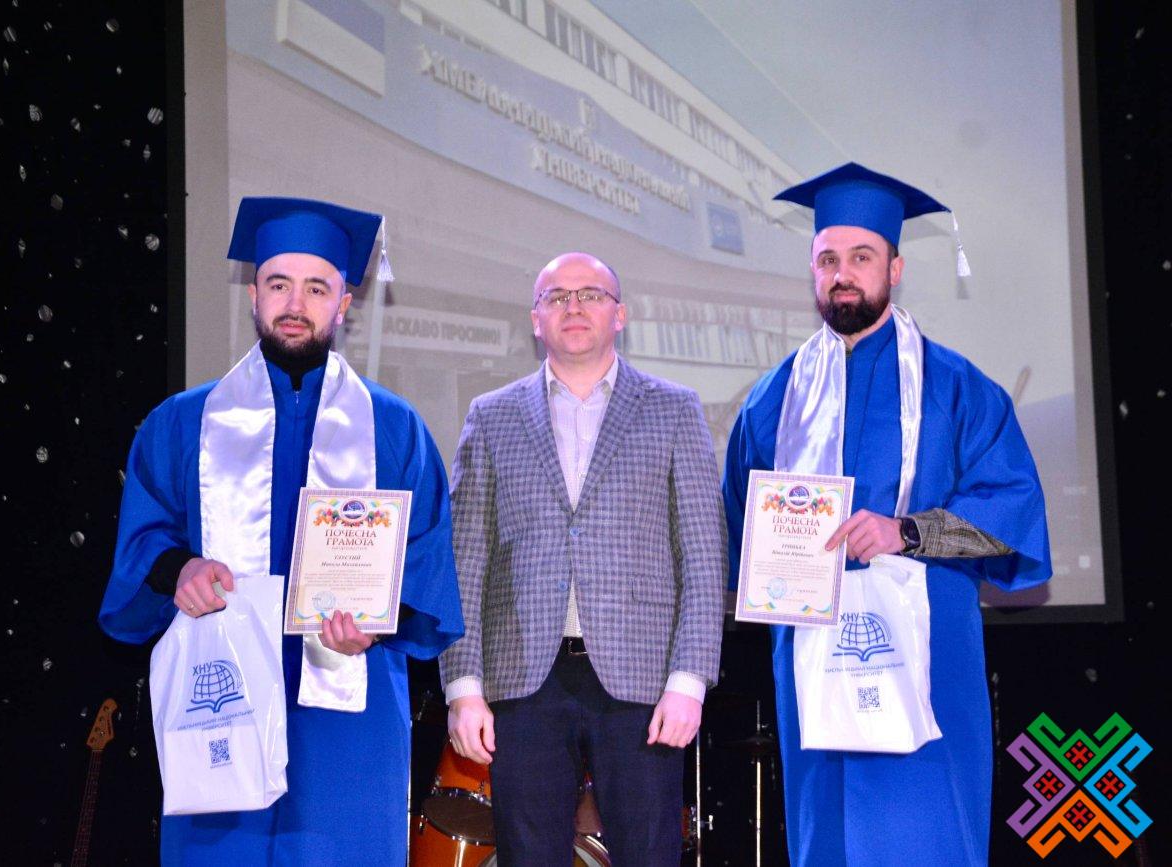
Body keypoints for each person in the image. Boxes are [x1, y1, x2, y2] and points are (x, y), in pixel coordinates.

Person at [98, 197, 463, 864]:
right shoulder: (182, 423)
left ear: (344, 303)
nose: (295, 304)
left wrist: (378, 623)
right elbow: (143, 540)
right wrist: (180, 570)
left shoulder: (395, 428)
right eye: (278, 284)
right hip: (219, 702)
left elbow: (428, 566)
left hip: (348, 720)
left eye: (316, 288)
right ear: (253, 295)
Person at [722, 163, 1052, 866]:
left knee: (924, 831)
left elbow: (1010, 513)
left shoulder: (958, 388)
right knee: (826, 836)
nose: (842, 275)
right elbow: (737, 528)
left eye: (861, 257)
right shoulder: (774, 398)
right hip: (812, 659)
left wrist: (904, 532)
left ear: (895, 269)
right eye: (827, 260)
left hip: (926, 656)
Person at [439, 252, 725, 865]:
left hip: (645, 683)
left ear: (619, 315)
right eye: (557, 296)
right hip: (523, 681)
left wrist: (689, 682)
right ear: (535, 319)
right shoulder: (491, 415)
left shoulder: (674, 409)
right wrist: (463, 688)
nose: (574, 306)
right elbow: (464, 561)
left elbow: (703, 557)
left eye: (591, 294)